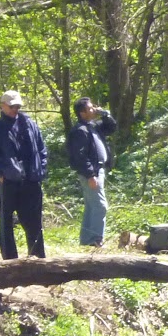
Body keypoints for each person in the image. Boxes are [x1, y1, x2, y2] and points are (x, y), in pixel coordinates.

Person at [0, 89, 48, 259]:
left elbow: (42, 149)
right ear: (2, 106)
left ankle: (37, 259)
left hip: (31, 180)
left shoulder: (29, 124)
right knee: (6, 223)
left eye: (17, 106)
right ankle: (10, 260)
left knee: (34, 223)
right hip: (8, 182)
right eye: (11, 106)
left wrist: (41, 168)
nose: (15, 109)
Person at [67, 96, 117, 247]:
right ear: (82, 113)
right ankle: (95, 240)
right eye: (90, 108)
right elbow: (80, 156)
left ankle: (87, 240)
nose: (93, 109)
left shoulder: (93, 126)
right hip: (91, 173)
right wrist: (90, 174)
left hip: (98, 170)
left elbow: (112, 128)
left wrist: (105, 114)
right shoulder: (80, 131)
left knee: (91, 206)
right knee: (100, 206)